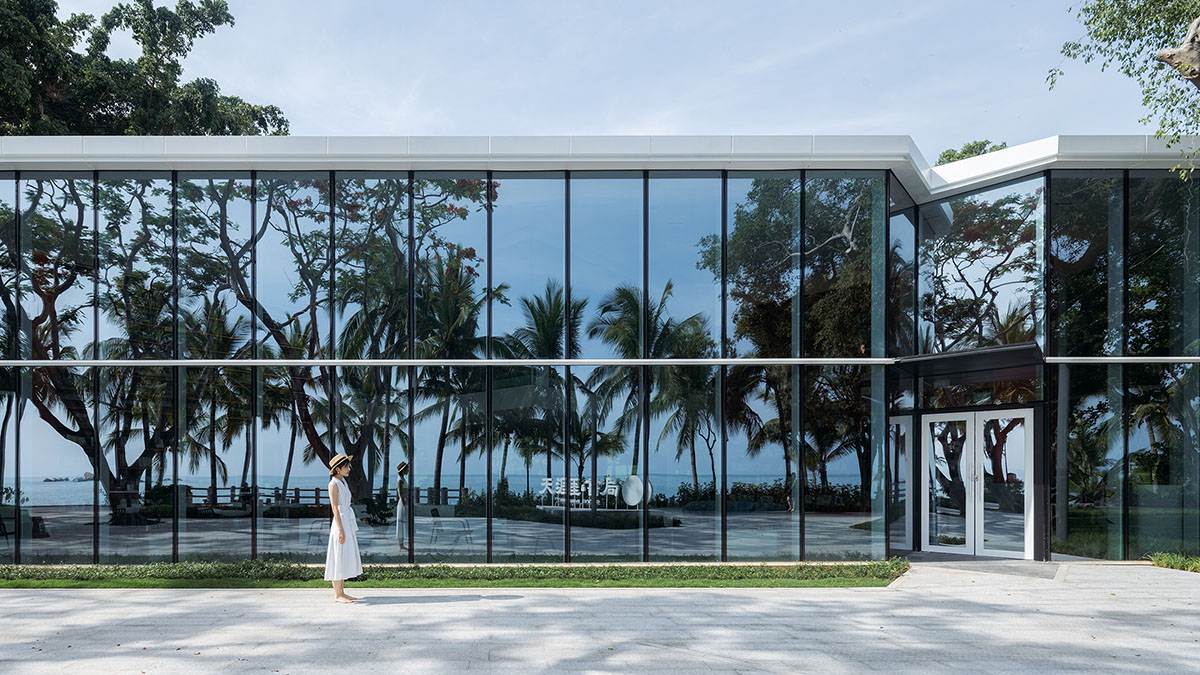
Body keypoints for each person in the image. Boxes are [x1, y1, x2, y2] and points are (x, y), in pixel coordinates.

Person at [324, 453, 362, 603]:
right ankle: (337, 594)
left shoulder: (342, 482)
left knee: (343, 555)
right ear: (338, 469)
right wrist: (340, 529)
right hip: (340, 522)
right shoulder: (333, 484)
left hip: (346, 520)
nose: (349, 469)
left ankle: (342, 592)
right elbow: (334, 507)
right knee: (337, 555)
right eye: (346, 467)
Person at [395, 461, 409, 551]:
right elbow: (400, 494)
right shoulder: (400, 480)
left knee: (403, 523)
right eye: (407, 469)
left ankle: (402, 544)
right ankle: (401, 545)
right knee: (401, 523)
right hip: (403, 502)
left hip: (405, 501)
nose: (408, 470)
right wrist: (404, 505)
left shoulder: (402, 478)